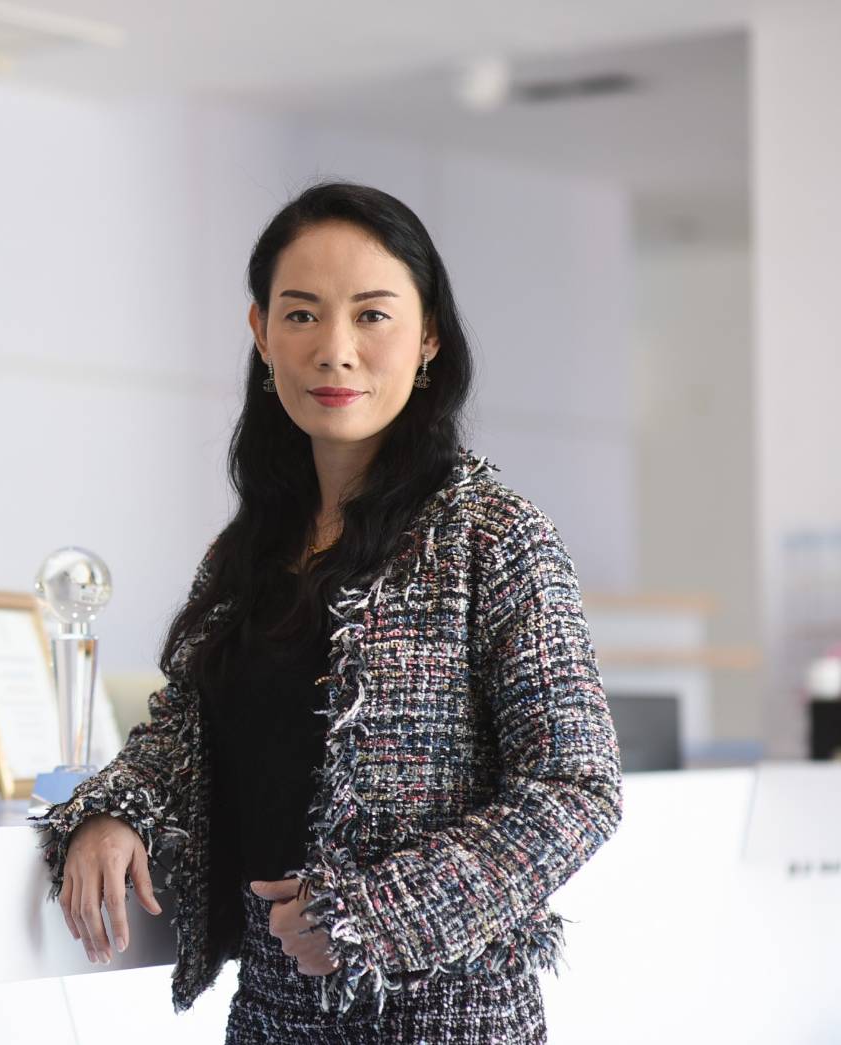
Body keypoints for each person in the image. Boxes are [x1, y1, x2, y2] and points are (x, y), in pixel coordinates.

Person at [34, 182, 623, 1043]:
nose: (335, 351)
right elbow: (184, 732)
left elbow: (578, 790)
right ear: (261, 333)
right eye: (302, 315)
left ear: (428, 336)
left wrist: (374, 914)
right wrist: (111, 807)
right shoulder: (246, 551)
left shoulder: (493, 535)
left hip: (446, 1016)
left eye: (372, 315)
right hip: (271, 1011)